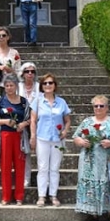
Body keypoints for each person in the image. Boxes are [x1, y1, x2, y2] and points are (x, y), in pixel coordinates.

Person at [73, 95, 110, 221]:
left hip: (108, 160)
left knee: (109, 185)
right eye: (96, 106)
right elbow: (76, 137)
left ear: (107, 108)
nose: (98, 108)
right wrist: (82, 142)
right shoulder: (87, 122)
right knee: (90, 185)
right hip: (89, 161)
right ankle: (93, 214)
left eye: (101, 106)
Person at [31, 73, 71, 207]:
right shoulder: (37, 101)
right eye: (45, 83)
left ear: (55, 85)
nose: (48, 85)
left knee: (54, 168)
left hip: (57, 139)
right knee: (42, 168)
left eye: (50, 83)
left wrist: (65, 131)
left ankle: (53, 195)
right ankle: (41, 196)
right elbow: (33, 120)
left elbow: (67, 120)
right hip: (42, 138)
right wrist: (32, 136)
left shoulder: (62, 102)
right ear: (42, 86)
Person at [0, 74, 31, 205]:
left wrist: (23, 124)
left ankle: (19, 196)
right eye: (6, 85)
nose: (9, 88)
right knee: (5, 166)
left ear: (16, 86)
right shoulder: (0, 101)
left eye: (11, 85)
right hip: (5, 136)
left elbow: (31, 118)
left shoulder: (24, 102)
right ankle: (6, 196)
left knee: (20, 166)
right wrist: (6, 121)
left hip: (19, 137)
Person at [19, 62, 40, 187]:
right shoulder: (18, 87)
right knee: (25, 152)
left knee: (40, 152)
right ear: (23, 73)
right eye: (27, 71)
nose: (30, 74)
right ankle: (25, 178)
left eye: (32, 71)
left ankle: (43, 179)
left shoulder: (39, 87)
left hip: (38, 122)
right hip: (22, 122)